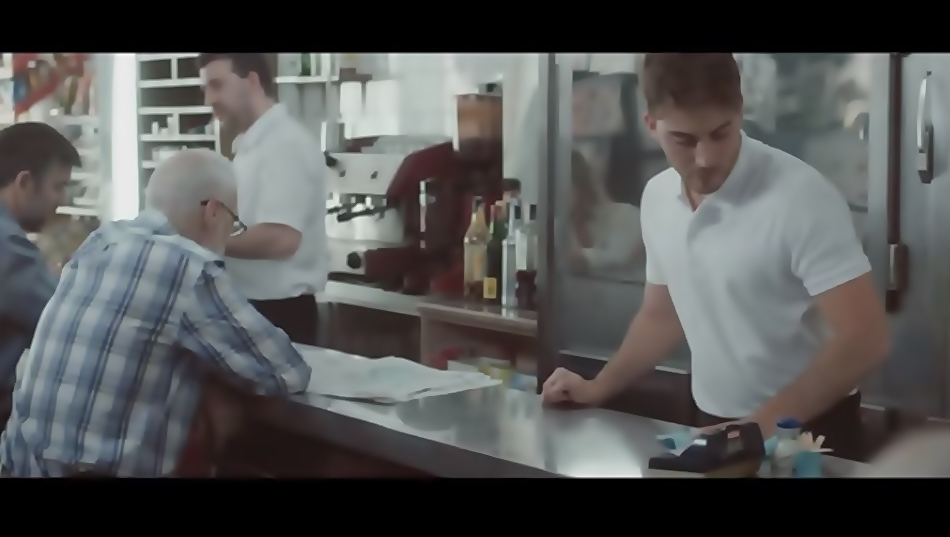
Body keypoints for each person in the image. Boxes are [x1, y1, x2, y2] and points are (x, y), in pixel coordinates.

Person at [542, 53, 890, 455]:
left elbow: (864, 340)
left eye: (720, 134)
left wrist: (755, 430)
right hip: (714, 424)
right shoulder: (657, 198)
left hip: (808, 433)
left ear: (740, 112)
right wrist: (597, 387)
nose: (706, 158)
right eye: (684, 140)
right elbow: (662, 315)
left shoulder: (800, 198)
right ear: (651, 126)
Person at [0, 148, 312, 477]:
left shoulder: (100, 242)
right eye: (234, 223)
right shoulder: (189, 266)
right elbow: (285, 372)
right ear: (214, 212)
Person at [198, 53, 326, 346]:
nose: (208, 100)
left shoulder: (284, 144)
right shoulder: (251, 145)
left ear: (252, 81)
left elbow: (281, 239)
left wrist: (205, 242)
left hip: (280, 312)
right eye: (205, 88)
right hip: (253, 305)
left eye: (217, 85)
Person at [0, 122, 77, 426]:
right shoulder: (9, 248)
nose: (62, 200)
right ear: (25, 183)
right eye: (58, 186)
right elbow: (64, 318)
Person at [568, 149, 644, 281]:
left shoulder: (626, 216)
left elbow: (622, 253)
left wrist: (584, 258)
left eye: (573, 185)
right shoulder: (558, 232)